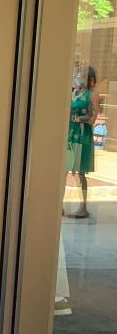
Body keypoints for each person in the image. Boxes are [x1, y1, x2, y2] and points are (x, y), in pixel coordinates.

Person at [67, 65, 99, 219]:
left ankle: (83, 207)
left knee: (80, 172)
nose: (78, 76)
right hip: (70, 135)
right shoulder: (75, 91)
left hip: (82, 136)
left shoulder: (92, 94)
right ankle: (58, 205)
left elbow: (92, 119)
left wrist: (76, 119)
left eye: (82, 75)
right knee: (65, 169)